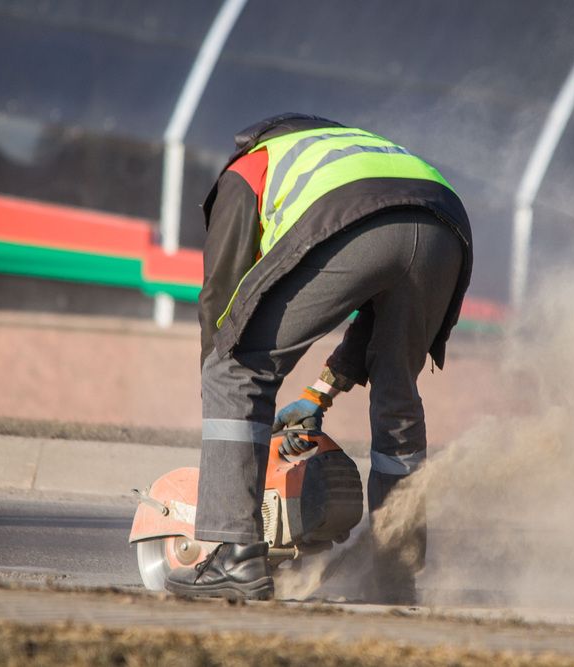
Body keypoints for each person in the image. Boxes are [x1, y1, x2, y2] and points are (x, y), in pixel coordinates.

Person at [164, 113, 472, 602]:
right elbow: (377, 304)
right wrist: (319, 392)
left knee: (236, 368)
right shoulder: (344, 148)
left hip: (359, 216)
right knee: (398, 394)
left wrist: (219, 371)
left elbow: (221, 292)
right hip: (444, 224)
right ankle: (395, 571)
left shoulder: (246, 169)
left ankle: (233, 554)